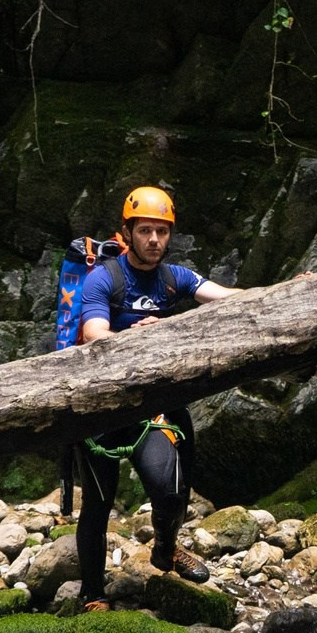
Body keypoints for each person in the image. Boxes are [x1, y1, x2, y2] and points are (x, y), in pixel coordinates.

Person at [70, 185, 235, 606]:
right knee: (99, 504)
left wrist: (292, 290)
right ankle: (92, 592)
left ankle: (165, 549)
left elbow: (230, 299)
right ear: (128, 233)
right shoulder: (104, 278)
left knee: (170, 490)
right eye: (145, 231)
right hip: (99, 412)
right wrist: (134, 336)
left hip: (150, 409)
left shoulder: (172, 278)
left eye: (162, 232)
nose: (155, 241)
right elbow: (93, 333)